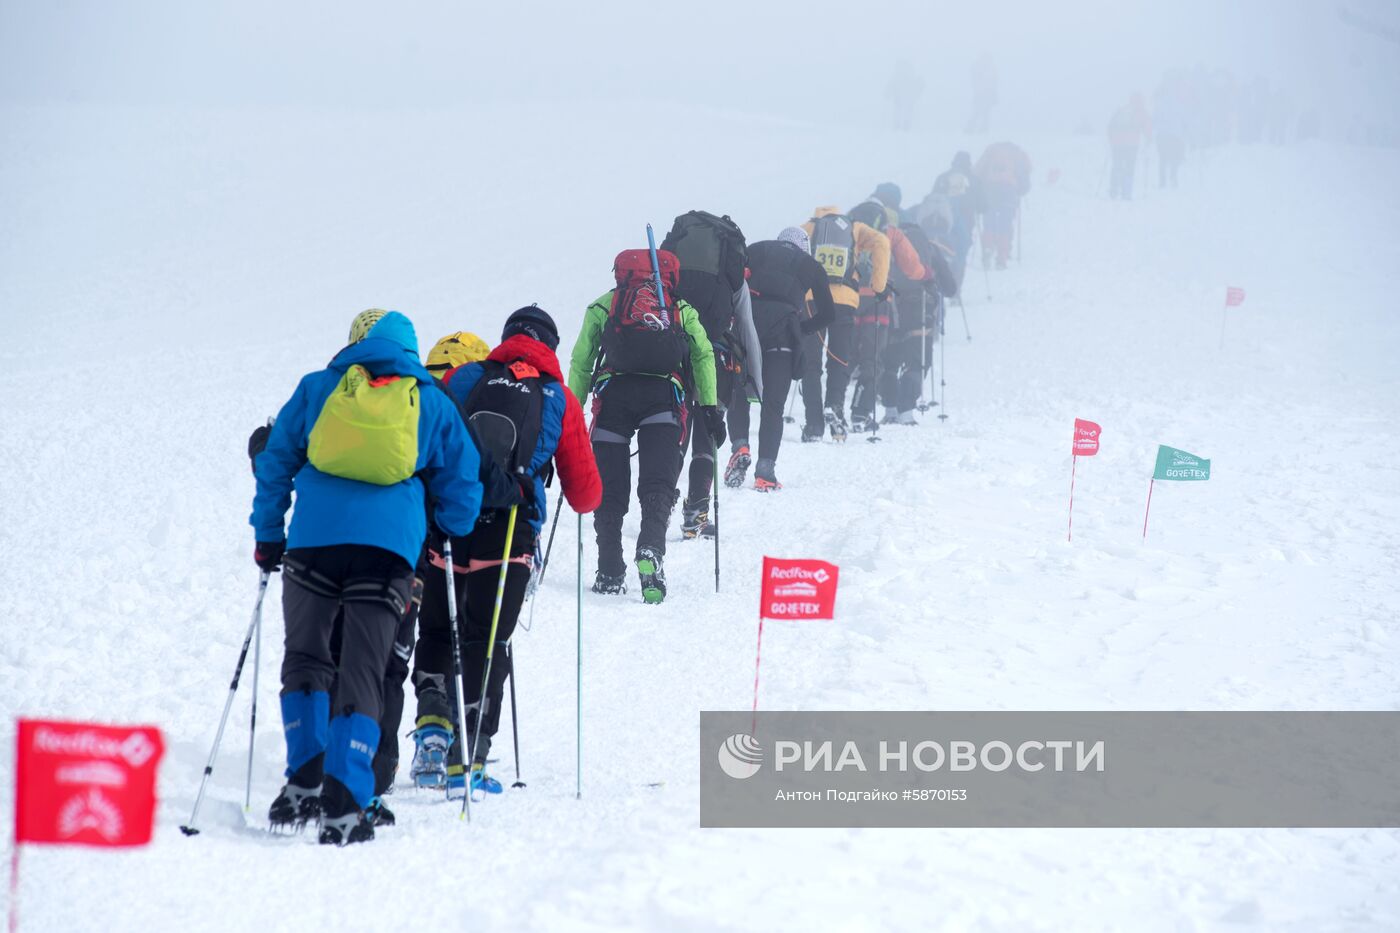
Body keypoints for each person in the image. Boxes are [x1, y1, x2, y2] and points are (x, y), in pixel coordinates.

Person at [251, 311, 483, 845]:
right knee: (363, 667)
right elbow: (463, 484)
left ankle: (302, 781)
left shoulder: (319, 387)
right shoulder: (429, 400)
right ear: (409, 351)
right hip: (387, 553)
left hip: (312, 544)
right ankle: (346, 799)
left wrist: (269, 534)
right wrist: (447, 524)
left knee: (307, 658)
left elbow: (277, 461)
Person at [410, 307, 601, 797]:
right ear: (550, 348)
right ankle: (468, 756)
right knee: (486, 639)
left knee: (435, 627)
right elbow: (586, 496)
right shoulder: (559, 397)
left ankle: (432, 730)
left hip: (449, 522)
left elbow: (424, 436)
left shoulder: (464, 376)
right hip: (510, 531)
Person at [567, 248, 721, 603]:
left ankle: (608, 569)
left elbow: (581, 362)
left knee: (609, 485)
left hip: (613, 397)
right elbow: (702, 353)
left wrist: (572, 415)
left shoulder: (604, 306)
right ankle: (651, 548)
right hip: (663, 396)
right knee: (657, 483)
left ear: (621, 274)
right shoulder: (678, 309)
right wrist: (709, 407)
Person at [659, 212, 763, 535]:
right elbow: (746, 326)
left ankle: (659, 509)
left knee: (676, 434)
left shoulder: (674, 270)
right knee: (706, 434)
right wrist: (755, 382)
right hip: (716, 357)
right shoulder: (732, 276)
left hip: (673, 354)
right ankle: (697, 513)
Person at [730, 227, 836, 490]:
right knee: (773, 406)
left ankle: (740, 446)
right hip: (784, 338)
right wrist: (801, 329)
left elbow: (731, 282)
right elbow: (828, 314)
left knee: (739, 394)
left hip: (747, 329)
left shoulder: (755, 250)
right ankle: (765, 472)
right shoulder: (810, 265)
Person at [800, 207, 890, 442]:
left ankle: (813, 425)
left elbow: (789, 250)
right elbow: (881, 242)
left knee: (811, 363)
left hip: (812, 301)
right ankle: (835, 407)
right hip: (845, 301)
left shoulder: (810, 227)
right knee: (839, 359)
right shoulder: (855, 228)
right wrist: (878, 286)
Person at [847, 197, 927, 434]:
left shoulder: (848, 229)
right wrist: (925, 274)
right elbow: (913, 268)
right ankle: (860, 413)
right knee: (873, 358)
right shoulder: (891, 233)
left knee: (844, 358)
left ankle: (831, 408)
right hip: (878, 300)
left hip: (848, 299)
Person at [880, 221, 957, 424]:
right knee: (917, 362)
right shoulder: (930, 248)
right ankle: (907, 411)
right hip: (921, 310)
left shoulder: (888, 245)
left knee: (889, 361)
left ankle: (890, 409)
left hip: (892, 306)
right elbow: (950, 288)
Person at [975, 141, 1031, 269]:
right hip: (1009, 193)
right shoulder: (1017, 154)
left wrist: (979, 190)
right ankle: (1002, 258)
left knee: (989, 223)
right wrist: (1021, 190)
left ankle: (987, 249)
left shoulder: (991, 151)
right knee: (1005, 224)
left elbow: (978, 171)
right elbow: (1024, 175)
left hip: (990, 191)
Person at [932, 152, 982, 286]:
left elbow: (934, 198)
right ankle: (955, 288)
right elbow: (983, 206)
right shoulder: (974, 180)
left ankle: (941, 283)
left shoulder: (942, 178)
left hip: (942, 222)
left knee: (943, 251)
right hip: (966, 222)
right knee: (960, 253)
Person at [1108, 93, 1152, 201]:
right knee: (1129, 168)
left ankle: (1113, 190)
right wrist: (1149, 139)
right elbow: (1147, 129)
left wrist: (1111, 140)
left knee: (1117, 166)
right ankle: (1126, 193)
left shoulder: (1123, 109)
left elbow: (1110, 125)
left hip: (1117, 143)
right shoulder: (1141, 112)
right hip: (1131, 144)